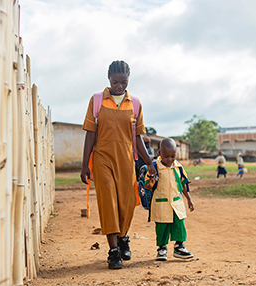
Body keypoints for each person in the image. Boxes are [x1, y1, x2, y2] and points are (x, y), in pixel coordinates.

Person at [80, 60, 155, 269]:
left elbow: (138, 137)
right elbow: (90, 134)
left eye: (123, 82)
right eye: (115, 82)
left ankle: (123, 237)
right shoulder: (97, 101)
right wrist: (85, 164)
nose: (119, 86)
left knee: (127, 201)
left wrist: (149, 162)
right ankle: (113, 251)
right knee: (108, 202)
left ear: (128, 80)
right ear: (109, 79)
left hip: (125, 158)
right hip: (102, 157)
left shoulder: (135, 104)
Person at [144, 138, 195, 261]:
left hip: (177, 202)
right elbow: (147, 185)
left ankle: (179, 246)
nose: (170, 159)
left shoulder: (178, 167)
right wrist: (150, 183)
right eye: (166, 156)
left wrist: (189, 199)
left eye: (173, 156)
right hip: (161, 204)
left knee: (179, 225)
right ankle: (162, 248)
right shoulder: (154, 167)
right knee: (162, 226)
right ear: (159, 153)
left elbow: (183, 184)